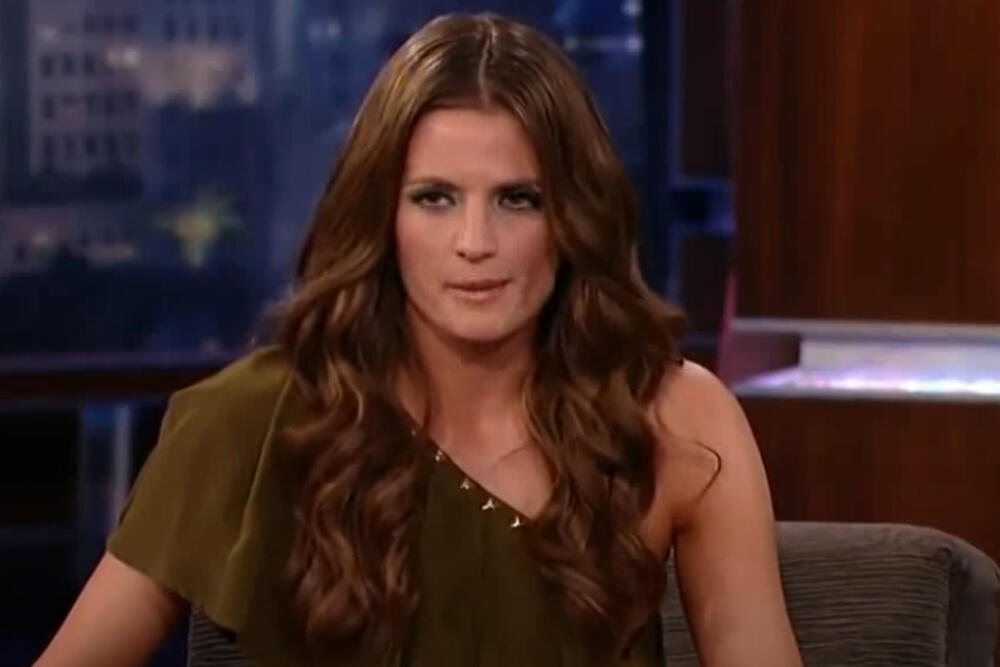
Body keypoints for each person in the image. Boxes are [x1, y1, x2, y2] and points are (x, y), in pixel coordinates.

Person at [34, 12, 801, 667]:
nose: (475, 242)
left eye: (518, 199)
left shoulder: (678, 421)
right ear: (383, 217)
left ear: (572, 219)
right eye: (435, 198)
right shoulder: (251, 421)